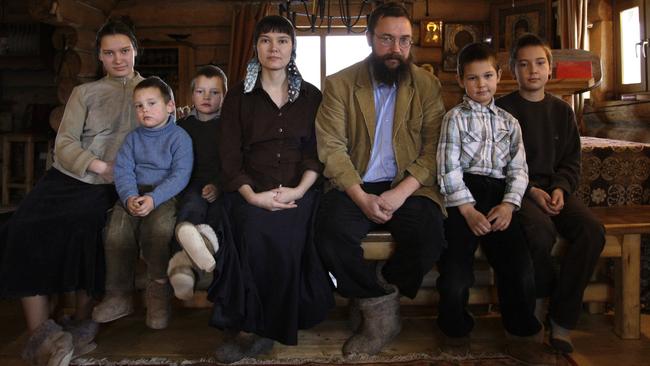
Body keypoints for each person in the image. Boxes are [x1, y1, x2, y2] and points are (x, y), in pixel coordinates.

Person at [0, 20, 143, 366]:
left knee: (86, 227)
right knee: (22, 225)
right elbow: (64, 144)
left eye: (124, 51)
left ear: (136, 51)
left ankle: (82, 321)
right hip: (69, 177)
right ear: (99, 57)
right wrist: (96, 166)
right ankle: (40, 333)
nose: (118, 59)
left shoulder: (151, 90)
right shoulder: (85, 93)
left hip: (113, 185)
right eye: (109, 53)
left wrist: (119, 174)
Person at [314, 2, 446, 356]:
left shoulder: (427, 85)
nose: (396, 49)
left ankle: (380, 289)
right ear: (370, 39)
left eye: (404, 40)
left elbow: (436, 147)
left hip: (408, 182)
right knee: (329, 234)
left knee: (430, 234)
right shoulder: (340, 84)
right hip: (355, 182)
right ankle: (378, 308)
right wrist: (360, 197)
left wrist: (402, 192)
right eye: (387, 39)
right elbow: (332, 148)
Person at [199, 15, 334, 363]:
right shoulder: (239, 96)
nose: (274, 48)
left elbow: (315, 155)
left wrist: (298, 192)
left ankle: (270, 327)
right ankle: (246, 327)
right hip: (249, 188)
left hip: (299, 188)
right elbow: (229, 156)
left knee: (287, 234)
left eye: (282, 40)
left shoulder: (310, 96)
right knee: (251, 229)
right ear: (256, 47)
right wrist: (252, 195)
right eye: (266, 40)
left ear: (293, 48)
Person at [435, 42, 552, 364]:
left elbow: (518, 169)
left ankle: (522, 333)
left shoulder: (509, 122)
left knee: (517, 265)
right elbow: (448, 168)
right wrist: (467, 209)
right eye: (472, 78)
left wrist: (509, 205)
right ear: (460, 80)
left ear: (499, 76)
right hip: (464, 199)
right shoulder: (454, 119)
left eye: (487, 76)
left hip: (500, 198)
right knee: (456, 269)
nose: (481, 84)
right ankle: (454, 330)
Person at [496, 33, 606, 354]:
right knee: (540, 231)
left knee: (592, 230)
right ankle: (538, 303)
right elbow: (498, 163)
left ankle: (563, 318)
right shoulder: (503, 111)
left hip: (556, 188)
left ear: (550, 68)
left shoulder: (562, 111)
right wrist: (531, 192)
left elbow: (572, 160)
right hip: (518, 191)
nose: (533, 70)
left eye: (540, 63)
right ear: (513, 70)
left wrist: (560, 188)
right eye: (524, 64)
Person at [91, 76, 193, 330]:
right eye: (139, 106)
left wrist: (154, 198)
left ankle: (158, 293)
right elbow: (123, 171)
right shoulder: (133, 139)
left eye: (151, 103)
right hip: (133, 192)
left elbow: (180, 174)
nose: (144, 110)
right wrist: (129, 197)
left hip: (165, 194)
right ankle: (118, 295)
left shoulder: (180, 138)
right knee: (115, 234)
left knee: (157, 232)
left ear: (170, 106)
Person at [166, 65, 227, 301]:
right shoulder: (181, 127)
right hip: (190, 183)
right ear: (192, 95)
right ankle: (187, 259)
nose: (207, 98)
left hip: (221, 184)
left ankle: (192, 267)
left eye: (214, 92)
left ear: (224, 96)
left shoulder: (227, 127)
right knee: (191, 207)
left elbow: (233, 162)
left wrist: (219, 185)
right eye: (200, 92)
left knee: (219, 214)